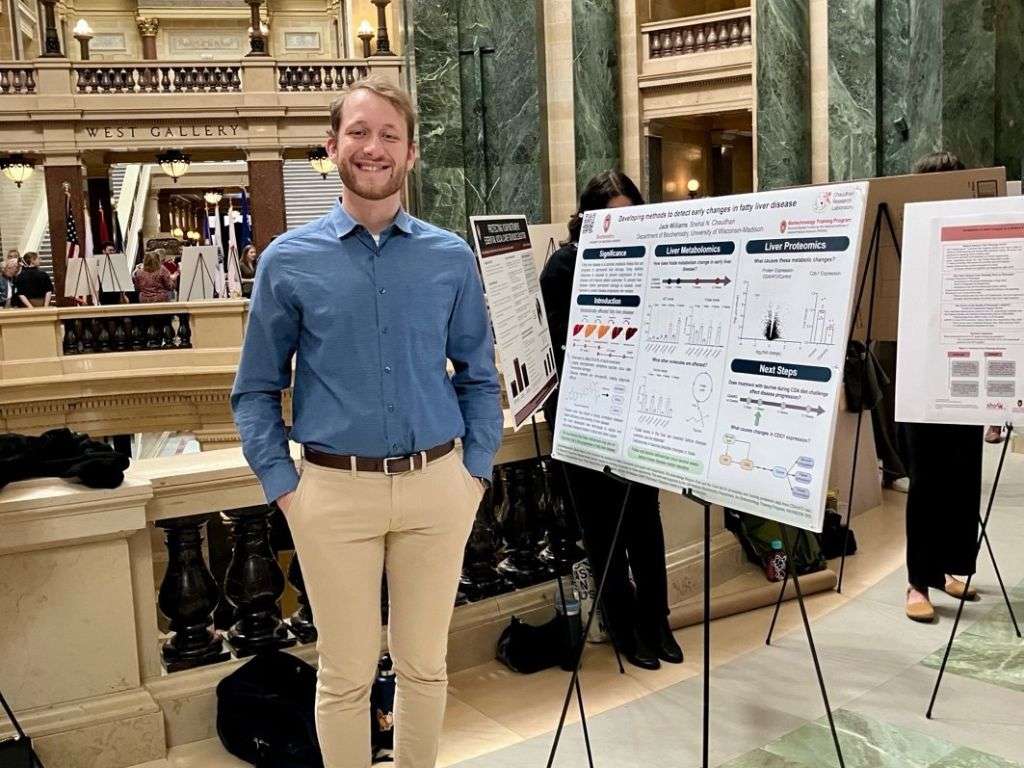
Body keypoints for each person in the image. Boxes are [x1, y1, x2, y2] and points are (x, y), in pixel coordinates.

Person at [231, 77, 501, 768]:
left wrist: (474, 472)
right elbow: (255, 390)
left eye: (388, 135)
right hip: (332, 492)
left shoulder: (449, 259)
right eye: (358, 132)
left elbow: (477, 375)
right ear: (332, 146)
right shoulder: (288, 261)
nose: (372, 147)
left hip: (437, 484)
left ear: (411, 154)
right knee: (345, 676)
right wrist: (285, 489)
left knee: (424, 666)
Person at [540, 170, 683, 670]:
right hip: (583, 415)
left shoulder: (652, 263)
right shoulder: (562, 267)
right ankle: (623, 626)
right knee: (601, 529)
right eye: (609, 218)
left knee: (646, 521)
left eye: (629, 216)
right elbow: (559, 341)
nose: (620, 226)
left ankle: (656, 620)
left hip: (638, 411)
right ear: (588, 220)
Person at [903, 151, 982, 623]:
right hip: (920, 370)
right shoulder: (907, 238)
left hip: (967, 368)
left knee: (962, 474)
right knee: (927, 480)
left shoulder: (971, 233)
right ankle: (916, 580)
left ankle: (947, 572)